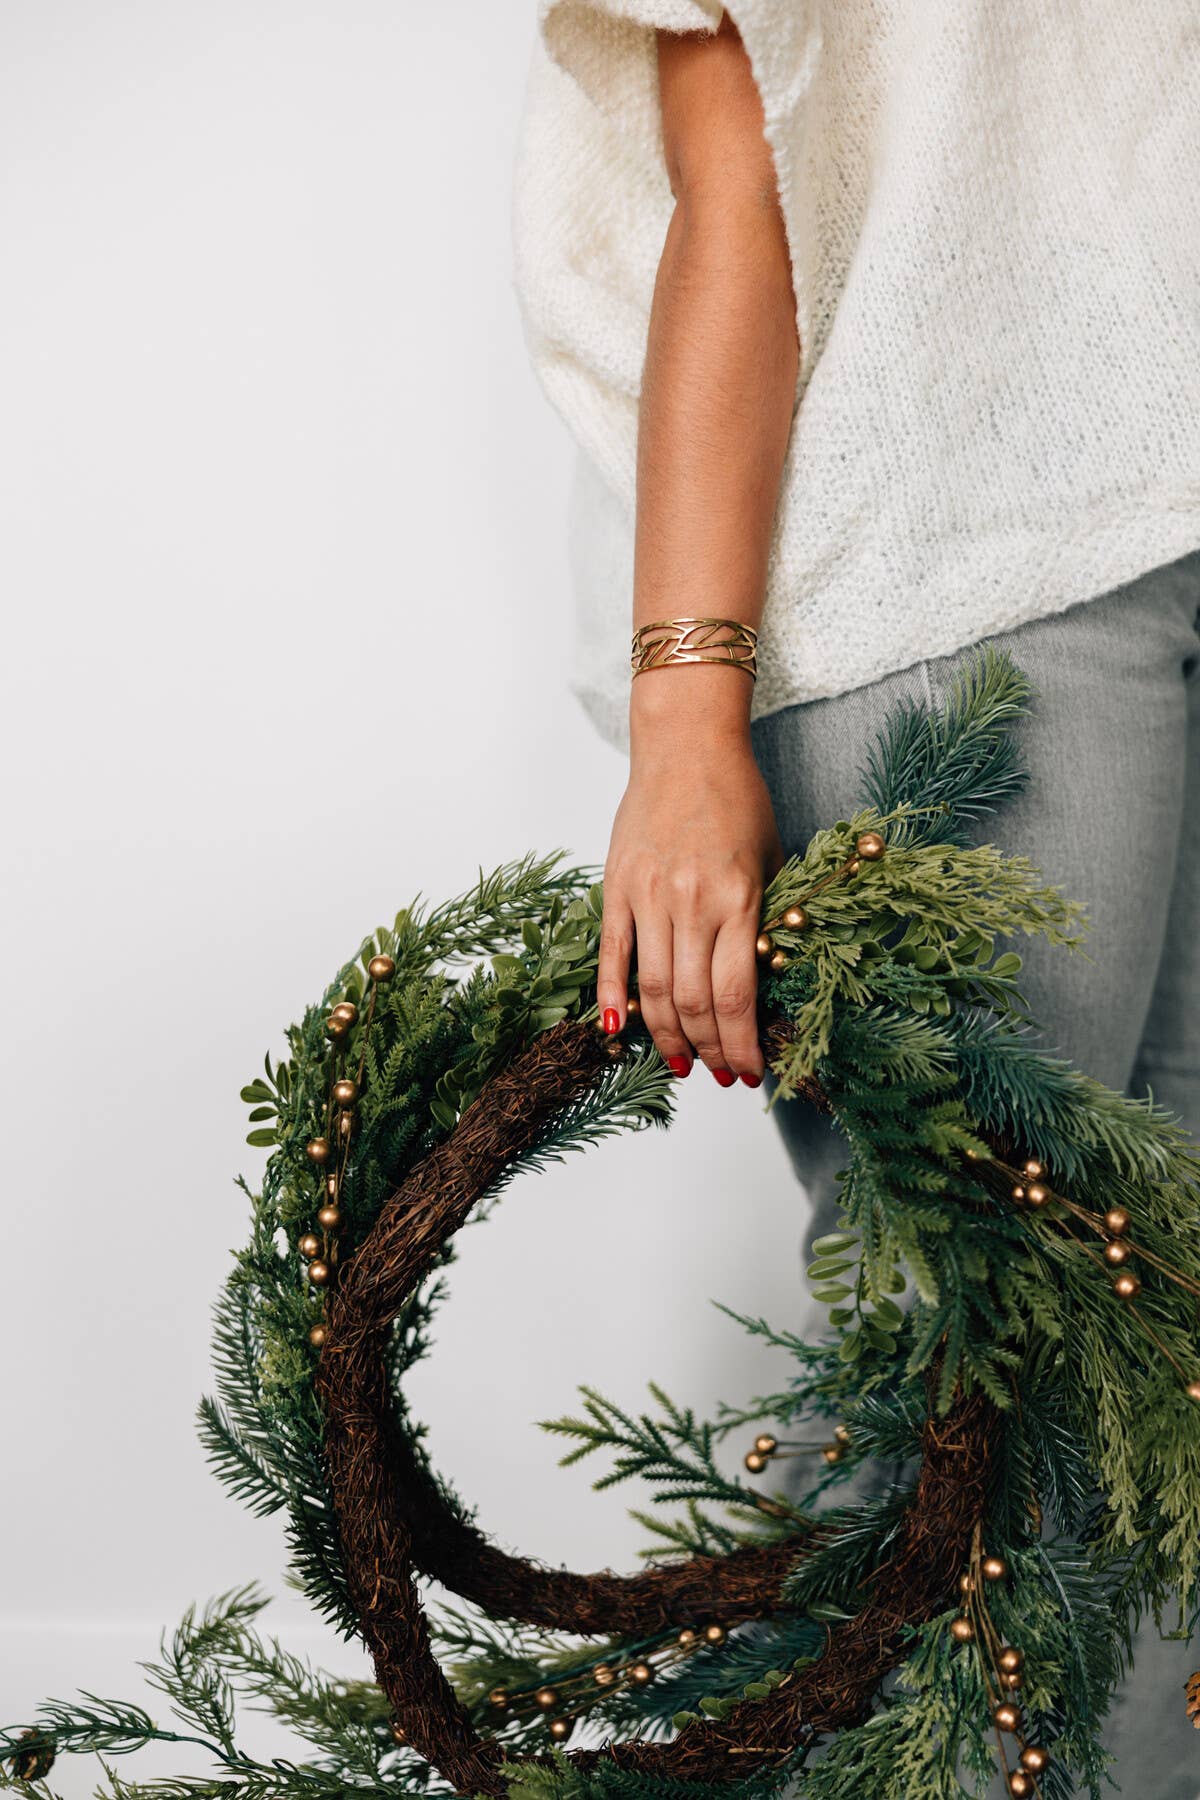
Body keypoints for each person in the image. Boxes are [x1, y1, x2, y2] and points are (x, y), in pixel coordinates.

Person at [513, 4, 1200, 1792]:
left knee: (1159, 1380)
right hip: (954, 546)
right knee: (978, 1364)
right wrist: (682, 712)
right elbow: (731, 162)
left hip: (1169, 481)